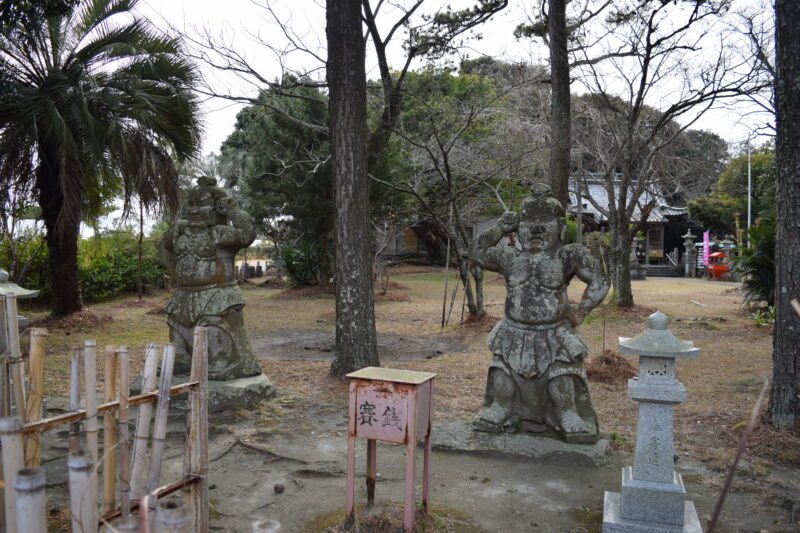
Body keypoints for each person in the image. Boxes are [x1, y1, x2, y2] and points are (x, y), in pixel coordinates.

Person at [469, 183, 610, 443]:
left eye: (544, 223)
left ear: (559, 226)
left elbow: (600, 281)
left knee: (561, 377)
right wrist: (499, 228)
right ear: (518, 226)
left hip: (553, 333)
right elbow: (475, 252)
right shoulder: (510, 258)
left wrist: (581, 311)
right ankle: (499, 408)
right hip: (513, 332)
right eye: (528, 223)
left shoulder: (567, 256)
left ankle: (568, 414)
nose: (536, 230)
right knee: (503, 375)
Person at [161, 176, 262, 380]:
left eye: (201, 205)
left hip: (216, 294)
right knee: (177, 328)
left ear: (216, 207)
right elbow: (164, 248)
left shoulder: (219, 233)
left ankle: (222, 359)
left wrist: (232, 210)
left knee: (214, 326)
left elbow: (247, 234)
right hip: (184, 294)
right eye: (191, 204)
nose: (194, 210)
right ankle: (182, 358)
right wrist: (175, 272)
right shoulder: (178, 231)